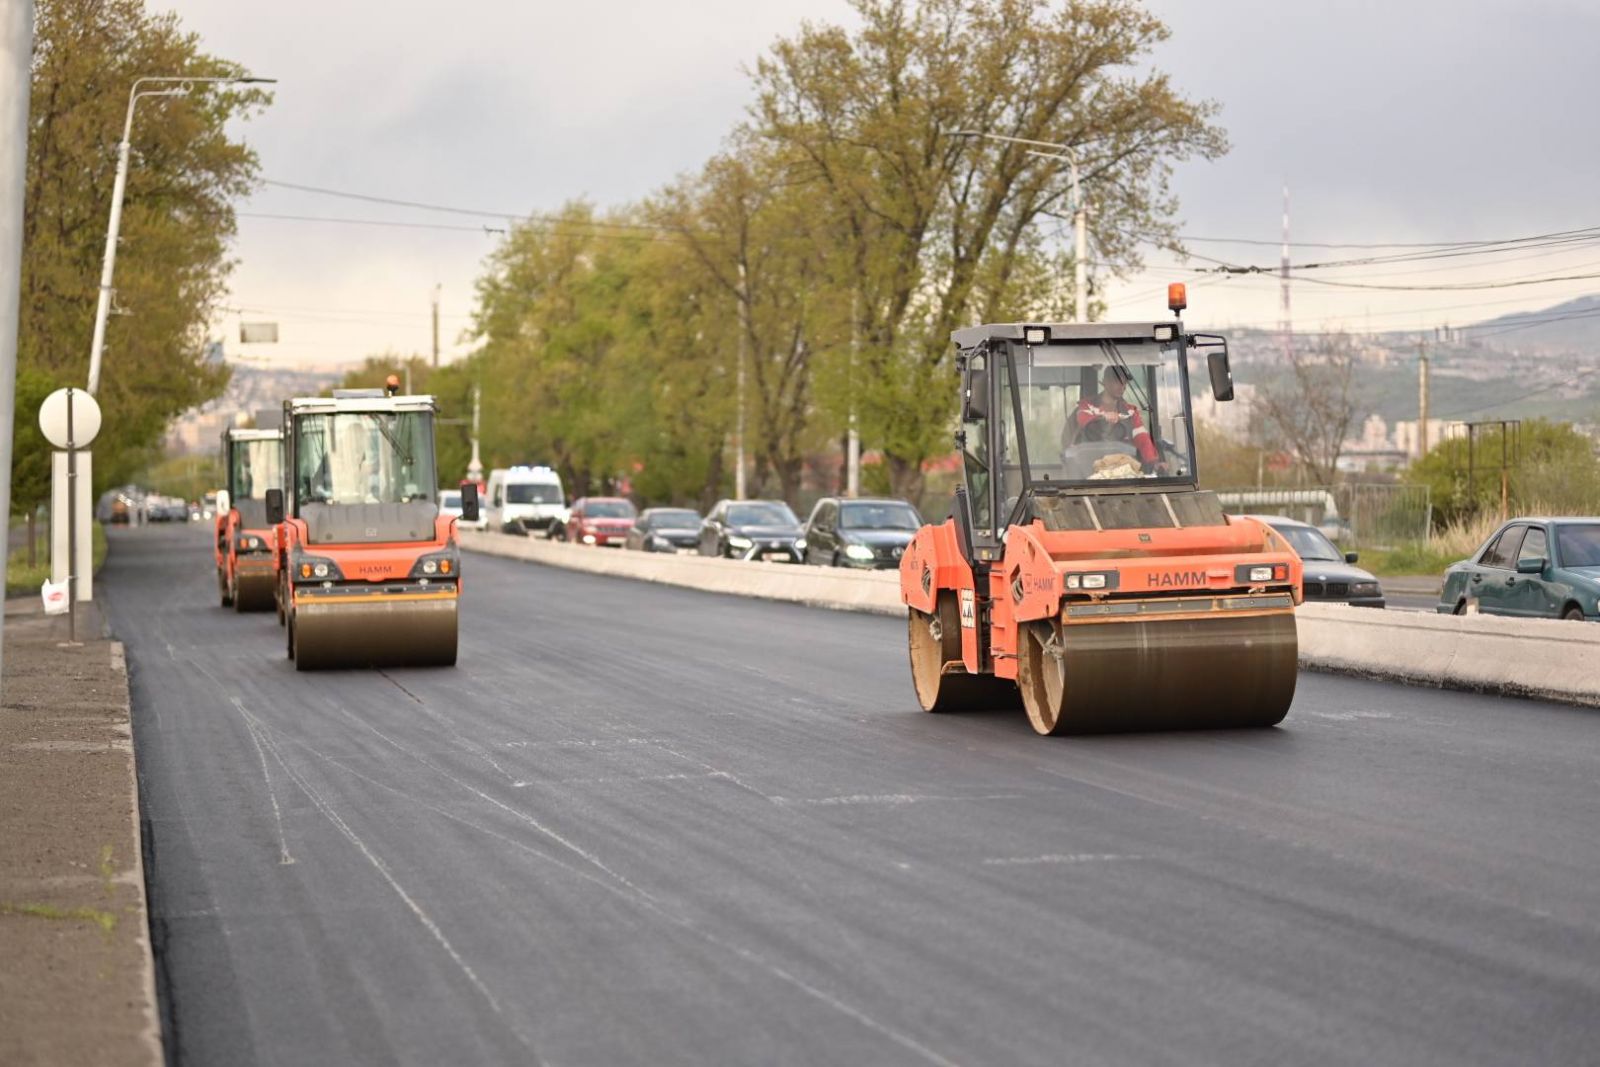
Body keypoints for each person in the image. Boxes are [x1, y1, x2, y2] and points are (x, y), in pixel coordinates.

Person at [1071, 366, 1161, 469]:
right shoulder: (1087, 405)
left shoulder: (1130, 412)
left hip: (1122, 469)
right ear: (1105, 382)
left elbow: (1142, 439)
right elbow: (1083, 419)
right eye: (1117, 382)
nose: (1122, 386)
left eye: (1124, 383)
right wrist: (1103, 417)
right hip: (1088, 468)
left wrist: (1154, 463)